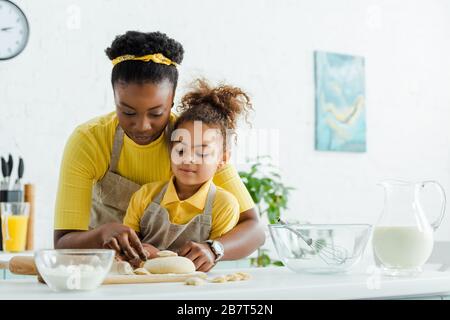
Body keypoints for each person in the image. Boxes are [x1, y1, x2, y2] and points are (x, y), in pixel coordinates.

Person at [53, 31, 265, 271]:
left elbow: (255, 229)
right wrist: (101, 235)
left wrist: (214, 249)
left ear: (172, 100)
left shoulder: (190, 141)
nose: (142, 125)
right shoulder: (89, 141)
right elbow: (63, 243)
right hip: (106, 275)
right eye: (128, 112)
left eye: (156, 113)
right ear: (114, 99)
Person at [123, 79, 252, 271]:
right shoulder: (145, 195)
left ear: (223, 159)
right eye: (181, 150)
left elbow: (214, 261)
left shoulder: (224, 205)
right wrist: (138, 251)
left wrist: (209, 252)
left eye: (201, 153)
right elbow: (128, 247)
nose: (189, 159)